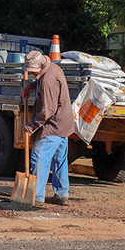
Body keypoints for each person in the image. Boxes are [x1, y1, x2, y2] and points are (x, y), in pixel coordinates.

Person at [22, 50, 74, 205]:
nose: (31, 73)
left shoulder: (48, 81)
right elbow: (40, 80)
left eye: (32, 71)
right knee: (59, 159)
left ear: (39, 67)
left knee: (39, 156)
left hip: (54, 125)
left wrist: (31, 126)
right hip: (64, 123)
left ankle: (37, 197)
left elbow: (47, 111)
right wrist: (31, 87)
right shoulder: (51, 68)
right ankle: (62, 194)